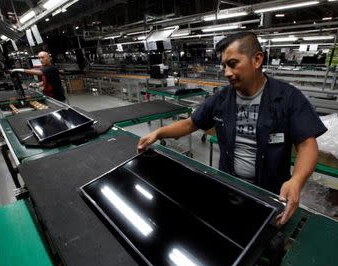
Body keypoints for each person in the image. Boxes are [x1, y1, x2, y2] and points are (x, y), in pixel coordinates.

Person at [137, 32, 327, 225]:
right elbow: (190, 123)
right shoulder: (221, 98)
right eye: (224, 65)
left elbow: (307, 145)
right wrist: (159, 132)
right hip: (229, 188)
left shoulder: (288, 98)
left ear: (257, 59)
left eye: (233, 63)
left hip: (271, 194)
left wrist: (296, 181)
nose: (227, 72)